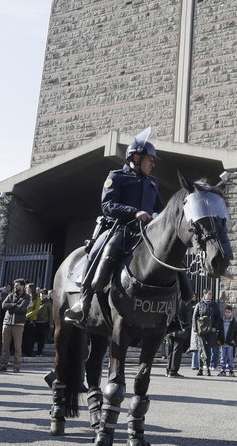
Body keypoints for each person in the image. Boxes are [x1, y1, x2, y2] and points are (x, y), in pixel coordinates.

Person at [65, 129, 191, 327]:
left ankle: (175, 313)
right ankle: (84, 302)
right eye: (150, 159)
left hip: (147, 232)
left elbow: (159, 209)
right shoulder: (117, 177)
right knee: (97, 253)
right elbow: (108, 205)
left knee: (173, 259)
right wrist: (134, 213)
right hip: (120, 228)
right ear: (136, 158)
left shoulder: (153, 183)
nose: (153, 164)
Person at [0, 279, 30, 372]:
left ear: (22, 286)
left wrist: (11, 306)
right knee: (5, 346)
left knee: (17, 346)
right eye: (15, 285)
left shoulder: (26, 297)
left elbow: (22, 308)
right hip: (7, 322)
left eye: (17, 285)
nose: (15, 287)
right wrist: (14, 305)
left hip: (18, 324)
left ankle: (16, 365)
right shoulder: (10, 295)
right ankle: (4, 364)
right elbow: (3, 305)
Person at [193, 290, 221, 376]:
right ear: (204, 294)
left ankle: (208, 368)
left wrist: (215, 327)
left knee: (208, 349)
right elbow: (194, 317)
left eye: (211, 294)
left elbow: (218, 317)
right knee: (201, 349)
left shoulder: (214, 305)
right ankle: (200, 368)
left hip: (210, 330)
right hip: (201, 331)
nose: (211, 295)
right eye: (209, 293)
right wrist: (195, 329)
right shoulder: (199, 304)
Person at [217, 306, 237, 376]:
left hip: (230, 343)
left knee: (230, 358)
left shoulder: (234, 323)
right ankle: (222, 370)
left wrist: (234, 340)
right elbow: (218, 332)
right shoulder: (221, 322)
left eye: (229, 312)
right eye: (226, 312)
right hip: (223, 342)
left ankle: (231, 370)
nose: (227, 314)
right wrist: (218, 339)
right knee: (222, 357)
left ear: (231, 313)